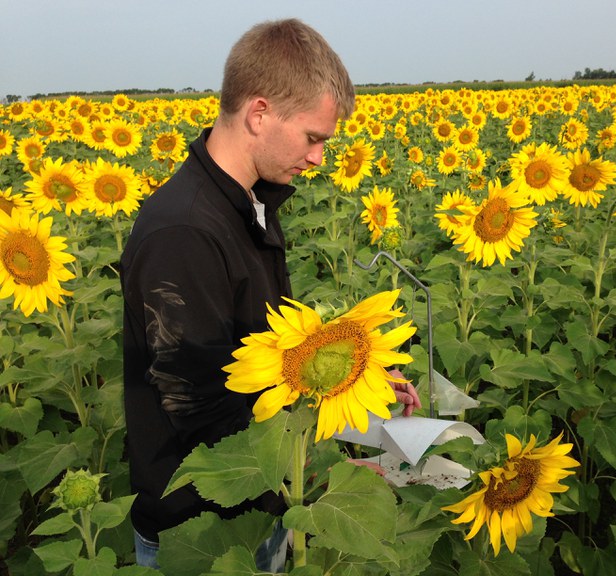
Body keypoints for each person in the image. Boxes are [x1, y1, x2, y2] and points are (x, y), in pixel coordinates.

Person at [119, 18, 419, 571]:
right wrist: (325, 477)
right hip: (202, 534)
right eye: (313, 137)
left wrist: (359, 379)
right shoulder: (183, 232)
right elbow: (201, 408)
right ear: (259, 113)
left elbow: (269, 355)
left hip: (260, 509)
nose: (318, 158)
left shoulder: (248, 202)